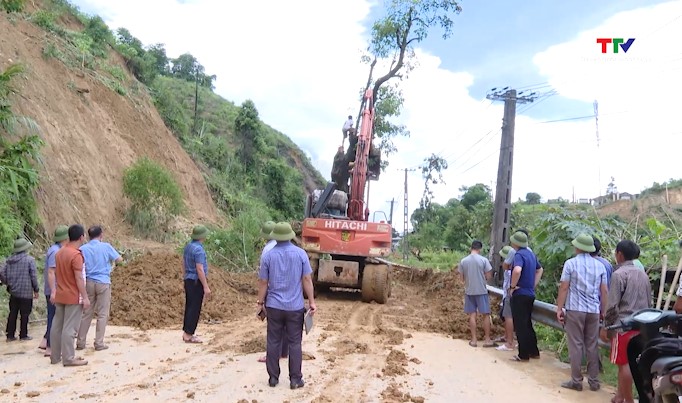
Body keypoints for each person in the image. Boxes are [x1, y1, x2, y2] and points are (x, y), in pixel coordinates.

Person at [257, 222, 317, 390]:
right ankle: (295, 379)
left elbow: (263, 282)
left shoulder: (268, 256)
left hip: (274, 306)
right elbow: (306, 280)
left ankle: (273, 378)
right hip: (295, 307)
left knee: (273, 341)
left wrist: (260, 302)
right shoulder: (301, 254)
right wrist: (311, 301)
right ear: (290, 236)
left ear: (275, 236)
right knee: (295, 343)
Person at [601, 240, 651, 403]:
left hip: (623, 326)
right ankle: (620, 395)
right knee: (632, 362)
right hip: (642, 326)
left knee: (623, 363)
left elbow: (612, 305)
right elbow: (649, 302)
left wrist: (606, 326)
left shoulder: (619, 274)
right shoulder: (642, 274)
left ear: (619, 254)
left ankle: (628, 400)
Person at [556, 234, 608, 392]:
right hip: (593, 311)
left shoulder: (570, 263)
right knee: (592, 345)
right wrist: (603, 311)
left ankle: (576, 381)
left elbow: (564, 287)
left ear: (578, 247)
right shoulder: (600, 266)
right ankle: (594, 381)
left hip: (575, 310)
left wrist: (559, 308)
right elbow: (604, 291)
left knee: (576, 345)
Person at [77, 226, 122, 351]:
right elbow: (119, 259)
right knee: (102, 314)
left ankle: (80, 342)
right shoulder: (106, 247)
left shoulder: (82, 249)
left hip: (88, 282)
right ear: (101, 235)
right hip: (103, 282)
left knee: (87, 313)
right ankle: (99, 342)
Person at [50, 224, 90, 367]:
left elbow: (55, 273)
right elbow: (79, 278)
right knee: (70, 328)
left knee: (57, 326)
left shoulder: (59, 253)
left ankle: (55, 356)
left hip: (60, 294)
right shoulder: (76, 255)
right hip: (73, 295)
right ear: (81, 237)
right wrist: (85, 297)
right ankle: (68, 358)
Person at [508, 231, 544, 362]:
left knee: (520, 325)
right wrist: (532, 285)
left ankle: (523, 354)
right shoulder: (531, 254)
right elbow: (540, 269)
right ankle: (533, 351)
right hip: (529, 293)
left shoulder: (519, 255)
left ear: (515, 243)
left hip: (520, 294)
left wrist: (512, 287)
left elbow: (517, 270)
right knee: (527, 323)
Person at [257, 221, 289, 363]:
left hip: (273, 292)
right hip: (289, 292)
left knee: (274, 328)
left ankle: (271, 355)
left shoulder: (267, 251)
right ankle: (283, 352)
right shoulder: (290, 249)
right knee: (286, 325)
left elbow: (264, 279)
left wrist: (261, 301)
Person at [457, 240, 496, 348]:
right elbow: (489, 277)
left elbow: (461, 278)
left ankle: (474, 340)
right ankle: (487, 339)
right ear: (480, 249)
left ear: (471, 248)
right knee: (485, 315)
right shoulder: (484, 260)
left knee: (472, 315)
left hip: (469, 291)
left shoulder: (463, 261)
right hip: (482, 291)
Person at [1, 238, 39, 342]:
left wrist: (7, 282)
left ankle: (10, 335)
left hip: (13, 292)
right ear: (25, 249)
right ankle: (23, 335)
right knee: (25, 314)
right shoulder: (30, 260)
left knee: (13, 313)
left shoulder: (9, 260)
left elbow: (2, 272)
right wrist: (36, 289)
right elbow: (33, 276)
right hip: (26, 292)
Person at [39, 225, 68, 357]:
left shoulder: (55, 249)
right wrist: (54, 291)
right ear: (65, 238)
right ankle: (50, 347)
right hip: (53, 290)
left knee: (53, 317)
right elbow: (51, 272)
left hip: (53, 289)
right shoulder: (56, 252)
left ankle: (45, 341)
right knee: (54, 318)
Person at [182, 225, 210, 344]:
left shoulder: (188, 247)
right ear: (202, 236)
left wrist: (184, 276)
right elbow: (199, 268)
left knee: (189, 306)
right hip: (195, 281)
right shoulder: (199, 250)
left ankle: (187, 332)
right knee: (195, 308)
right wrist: (205, 286)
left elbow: (183, 263)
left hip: (188, 279)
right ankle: (189, 335)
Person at [496, 245, 515, 351]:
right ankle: (506, 336)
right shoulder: (511, 268)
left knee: (507, 316)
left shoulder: (509, 270)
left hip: (508, 295)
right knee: (504, 316)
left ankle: (509, 340)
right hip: (506, 294)